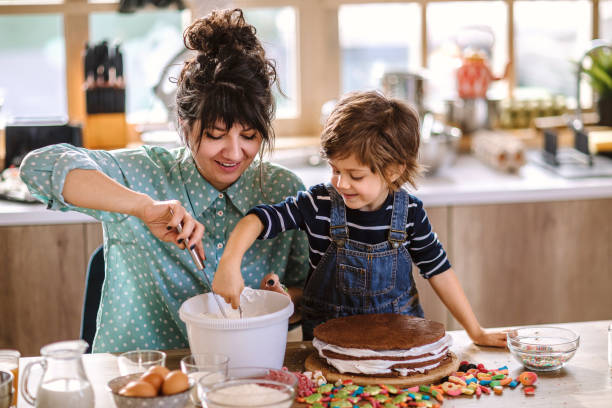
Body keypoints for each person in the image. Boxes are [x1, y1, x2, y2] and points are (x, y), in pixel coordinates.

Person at [19, 8, 309, 352]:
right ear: (185, 129)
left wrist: (282, 301)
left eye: (249, 135)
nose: (234, 152)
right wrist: (142, 207)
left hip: (239, 376)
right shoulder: (145, 175)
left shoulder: (283, 191)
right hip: (136, 377)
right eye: (216, 135)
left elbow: (307, 291)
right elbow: (37, 168)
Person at [213, 91, 507, 347]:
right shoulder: (320, 204)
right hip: (328, 348)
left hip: (399, 346)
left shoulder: (410, 215)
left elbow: (439, 271)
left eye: (355, 175)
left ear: (393, 170)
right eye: (335, 169)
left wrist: (475, 331)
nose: (341, 183)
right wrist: (229, 262)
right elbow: (259, 219)